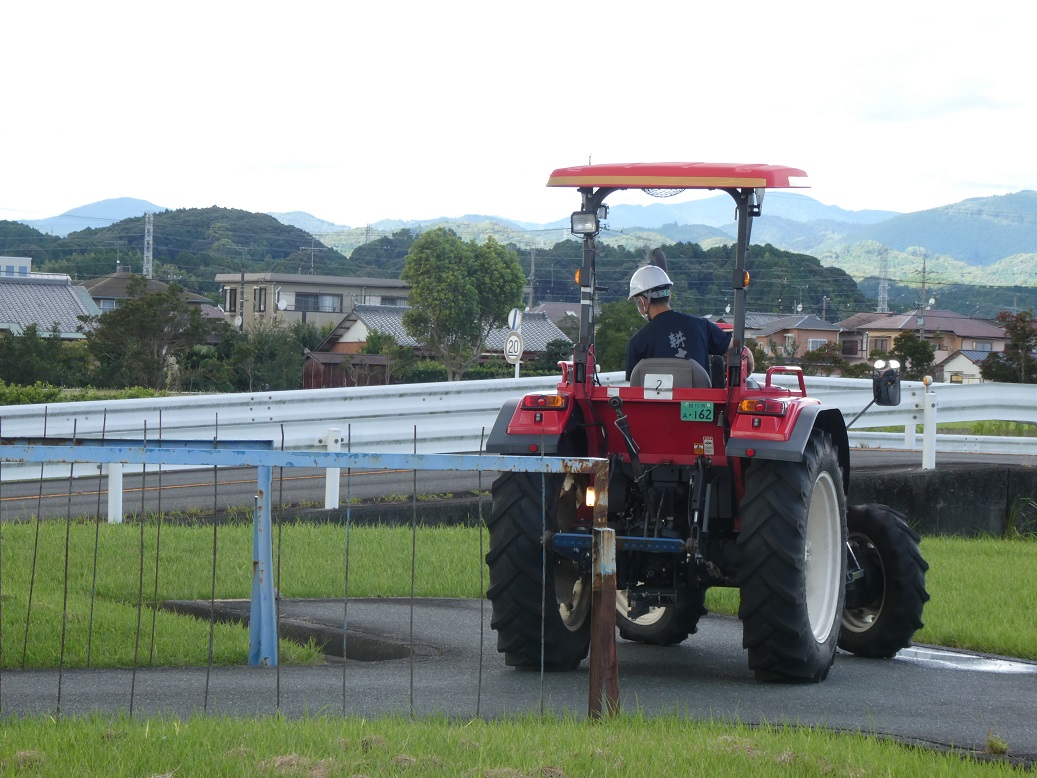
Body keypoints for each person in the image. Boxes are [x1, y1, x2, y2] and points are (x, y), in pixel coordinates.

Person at [624, 265, 732, 380]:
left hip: (657, 398)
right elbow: (737, 348)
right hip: (700, 398)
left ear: (641, 301)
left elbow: (634, 387)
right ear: (669, 295)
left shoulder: (637, 343)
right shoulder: (702, 326)